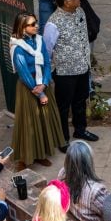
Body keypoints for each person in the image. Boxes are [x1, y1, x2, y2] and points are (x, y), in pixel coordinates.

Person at [9, 12, 65, 170]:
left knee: (43, 120)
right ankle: (24, 158)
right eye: (32, 24)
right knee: (28, 123)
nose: (36, 26)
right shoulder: (17, 47)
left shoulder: (39, 41)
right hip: (29, 88)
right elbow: (23, 72)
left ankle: (41, 154)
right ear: (23, 27)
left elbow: (47, 63)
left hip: (42, 85)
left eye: (36, 23)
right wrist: (39, 93)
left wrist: (45, 83)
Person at [44, 0, 98, 144]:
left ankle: (80, 130)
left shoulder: (80, 12)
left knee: (80, 101)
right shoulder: (53, 23)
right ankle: (63, 138)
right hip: (64, 72)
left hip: (82, 67)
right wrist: (49, 72)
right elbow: (47, 49)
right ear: (67, 2)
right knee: (63, 106)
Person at [58, 140, 109, 221]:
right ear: (88, 162)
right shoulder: (96, 191)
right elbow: (109, 215)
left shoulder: (62, 174)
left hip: (75, 220)